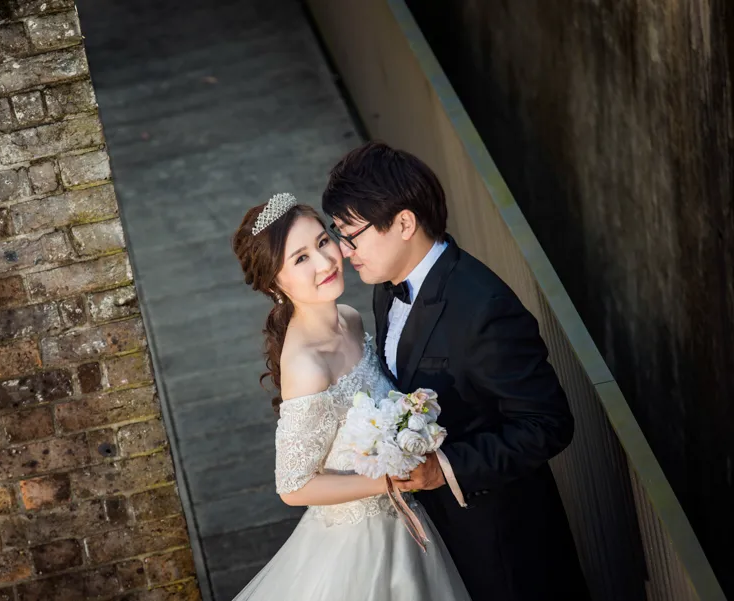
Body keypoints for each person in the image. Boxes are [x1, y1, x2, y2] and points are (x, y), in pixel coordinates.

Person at [322, 141, 589, 601]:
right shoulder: (386, 287)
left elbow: (547, 424)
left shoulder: (485, 308)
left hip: (503, 546)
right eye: (339, 233)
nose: (345, 251)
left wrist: (443, 469)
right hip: (433, 539)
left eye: (352, 234)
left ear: (404, 223)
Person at [229, 193, 470, 601]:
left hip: (407, 524)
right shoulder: (307, 365)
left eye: (323, 242)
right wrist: (386, 481)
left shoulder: (350, 319)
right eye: (300, 259)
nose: (325, 262)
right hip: (361, 546)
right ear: (274, 284)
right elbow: (293, 486)